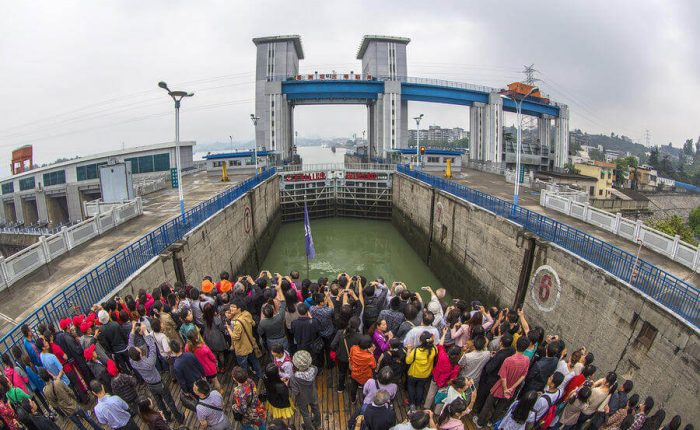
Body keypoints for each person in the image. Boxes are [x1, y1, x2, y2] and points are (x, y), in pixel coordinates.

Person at [128, 322, 184, 424]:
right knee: (169, 401)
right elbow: (152, 347)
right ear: (140, 354)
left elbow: (130, 345)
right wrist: (145, 332)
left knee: (159, 403)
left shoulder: (132, 361)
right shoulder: (149, 362)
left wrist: (132, 330)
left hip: (150, 384)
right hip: (158, 383)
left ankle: (166, 417)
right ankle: (179, 417)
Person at [475, 336, 531, 428]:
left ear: (516, 345)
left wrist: (505, 389)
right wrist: (512, 388)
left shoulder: (509, 360)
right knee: (500, 406)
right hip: (511, 388)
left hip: (501, 386)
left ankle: (480, 422)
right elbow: (523, 376)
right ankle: (491, 422)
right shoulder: (527, 360)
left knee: (488, 404)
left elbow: (503, 376)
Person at [474, 333, 514, 415]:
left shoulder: (500, 355)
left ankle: (478, 410)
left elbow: (489, 369)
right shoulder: (512, 350)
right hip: (498, 378)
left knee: (483, 395)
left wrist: (491, 359)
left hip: (490, 379)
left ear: (501, 343)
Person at [424, 327, 461, 410]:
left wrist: (444, 333)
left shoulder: (443, 356)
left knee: (431, 393)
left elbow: (440, 345)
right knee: (442, 396)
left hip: (436, 377)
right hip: (445, 382)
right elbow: (453, 378)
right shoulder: (456, 366)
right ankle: (437, 411)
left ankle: (427, 406)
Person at [225, 302, 262, 380]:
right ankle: (260, 375)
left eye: (233, 307)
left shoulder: (237, 323)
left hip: (242, 348)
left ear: (239, 309)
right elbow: (253, 323)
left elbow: (235, 337)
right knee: (255, 361)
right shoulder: (246, 314)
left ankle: (244, 380)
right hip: (250, 344)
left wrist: (228, 328)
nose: (231, 308)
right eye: (231, 306)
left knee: (243, 367)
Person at [289, 350, 321, 430]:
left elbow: (295, 392)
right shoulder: (314, 369)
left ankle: (310, 428)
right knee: (316, 409)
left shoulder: (294, 378)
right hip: (312, 394)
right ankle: (318, 423)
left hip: (302, 399)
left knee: (306, 415)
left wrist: (288, 385)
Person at [405, 331, 437, 410]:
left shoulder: (416, 351)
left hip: (414, 373)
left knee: (411, 386)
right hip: (425, 374)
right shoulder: (434, 349)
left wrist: (409, 350)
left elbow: (408, 361)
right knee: (420, 387)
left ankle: (412, 403)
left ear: (421, 341)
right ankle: (418, 403)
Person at [331, 316, 362, 392]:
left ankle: (340, 388)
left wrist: (338, 349)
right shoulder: (359, 336)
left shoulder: (340, 332)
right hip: (354, 359)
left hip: (341, 357)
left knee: (342, 373)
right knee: (353, 371)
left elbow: (332, 345)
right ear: (358, 326)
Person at [349, 335, 377, 404]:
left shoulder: (353, 348)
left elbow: (351, 356)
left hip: (355, 373)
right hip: (365, 376)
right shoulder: (369, 357)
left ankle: (353, 400)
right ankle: (365, 401)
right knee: (366, 390)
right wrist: (371, 353)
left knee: (353, 388)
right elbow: (373, 366)